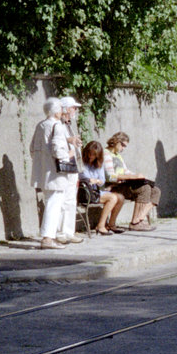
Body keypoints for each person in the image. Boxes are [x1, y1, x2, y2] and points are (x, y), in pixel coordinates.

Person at [31, 98, 78, 249]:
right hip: (55, 173)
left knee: (50, 202)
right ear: (57, 112)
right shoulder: (57, 125)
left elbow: (32, 148)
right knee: (54, 204)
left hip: (42, 171)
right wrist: (69, 154)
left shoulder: (40, 125)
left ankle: (48, 236)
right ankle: (47, 238)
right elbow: (58, 150)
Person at [104, 132, 161, 231]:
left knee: (155, 190)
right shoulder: (106, 154)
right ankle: (135, 223)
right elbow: (110, 176)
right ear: (116, 141)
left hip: (124, 184)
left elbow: (126, 171)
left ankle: (140, 218)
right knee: (144, 189)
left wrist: (137, 176)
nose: (123, 148)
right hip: (114, 186)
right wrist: (131, 177)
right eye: (123, 145)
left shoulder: (118, 156)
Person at [54, 96, 84, 244]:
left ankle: (68, 231)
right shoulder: (56, 124)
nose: (75, 110)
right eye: (73, 108)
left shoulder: (69, 124)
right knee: (62, 199)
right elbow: (53, 142)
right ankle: (59, 232)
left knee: (71, 200)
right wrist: (69, 141)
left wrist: (75, 142)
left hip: (73, 165)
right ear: (65, 109)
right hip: (63, 166)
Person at [79, 140, 125, 235]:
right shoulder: (82, 162)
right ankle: (101, 226)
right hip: (85, 192)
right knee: (112, 198)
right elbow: (85, 177)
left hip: (95, 191)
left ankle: (111, 225)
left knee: (120, 197)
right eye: (89, 154)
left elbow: (102, 180)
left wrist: (96, 181)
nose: (91, 156)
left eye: (94, 155)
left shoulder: (99, 163)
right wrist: (94, 181)